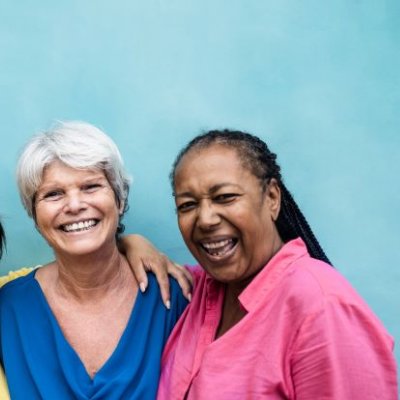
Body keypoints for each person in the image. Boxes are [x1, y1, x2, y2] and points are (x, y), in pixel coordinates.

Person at [157, 129, 398, 399]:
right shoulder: (198, 292)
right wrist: (129, 243)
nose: (205, 219)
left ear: (272, 198)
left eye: (224, 197)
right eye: (187, 205)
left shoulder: (322, 307)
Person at [0, 121, 189, 399]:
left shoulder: (176, 296)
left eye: (90, 186)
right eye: (53, 194)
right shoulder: (8, 308)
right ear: (34, 215)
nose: (74, 205)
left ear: (120, 199)